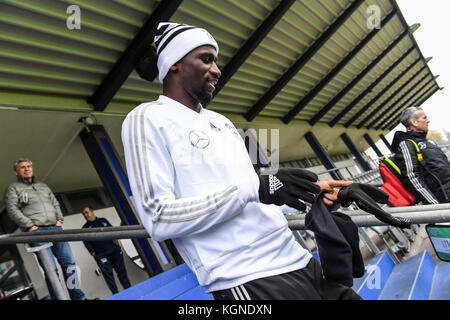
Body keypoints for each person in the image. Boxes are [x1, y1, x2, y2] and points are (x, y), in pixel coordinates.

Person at [121, 22, 360, 300]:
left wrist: (312, 193)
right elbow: (159, 218)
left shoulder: (220, 122)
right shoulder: (146, 118)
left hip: (301, 260)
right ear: (173, 63)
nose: (217, 70)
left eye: (216, 61)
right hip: (248, 280)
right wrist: (258, 187)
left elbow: (254, 198)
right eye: (206, 59)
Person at [4, 158, 86, 300]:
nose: (27, 169)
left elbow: (55, 203)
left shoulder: (43, 186)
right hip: (37, 232)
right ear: (16, 171)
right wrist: (29, 225)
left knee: (69, 265)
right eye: (23, 167)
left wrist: (59, 219)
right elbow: (12, 209)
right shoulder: (13, 188)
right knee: (51, 270)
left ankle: (78, 298)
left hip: (56, 229)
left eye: (29, 166)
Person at [392, 106, 450, 204]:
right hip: (443, 201)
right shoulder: (407, 144)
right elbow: (411, 177)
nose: (428, 121)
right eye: (424, 118)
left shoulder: (429, 142)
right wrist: (433, 204)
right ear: (414, 122)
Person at [81, 206, 131, 294]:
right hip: (101, 255)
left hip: (114, 251)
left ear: (92, 212)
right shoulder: (84, 228)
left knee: (122, 272)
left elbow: (112, 230)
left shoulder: (103, 220)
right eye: (84, 214)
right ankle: (116, 295)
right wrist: (92, 252)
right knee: (109, 277)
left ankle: (130, 291)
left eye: (87, 212)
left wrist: (116, 240)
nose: (86, 215)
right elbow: (86, 242)